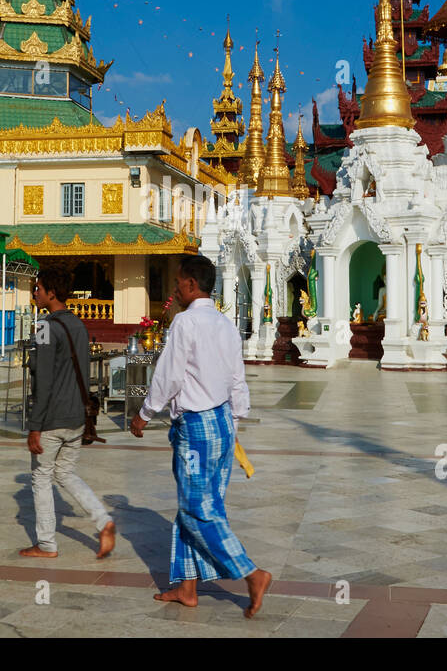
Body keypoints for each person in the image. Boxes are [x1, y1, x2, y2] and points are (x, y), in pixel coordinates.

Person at [129, 254, 272, 618]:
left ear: (192, 285)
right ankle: (188, 587)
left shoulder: (185, 322)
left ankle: (250, 573)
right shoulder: (225, 324)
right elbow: (237, 378)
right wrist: (235, 423)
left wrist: (145, 413)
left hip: (196, 425)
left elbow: (170, 375)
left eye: (178, 282)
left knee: (196, 509)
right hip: (223, 421)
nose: (175, 288)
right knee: (199, 505)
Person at [19, 267, 115, 560]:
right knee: (65, 473)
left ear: (51, 293)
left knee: (41, 478)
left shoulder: (47, 326)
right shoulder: (77, 324)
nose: (35, 293)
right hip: (76, 416)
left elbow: (44, 379)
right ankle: (102, 520)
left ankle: (46, 544)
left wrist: (35, 425)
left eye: (38, 288)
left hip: (52, 418)